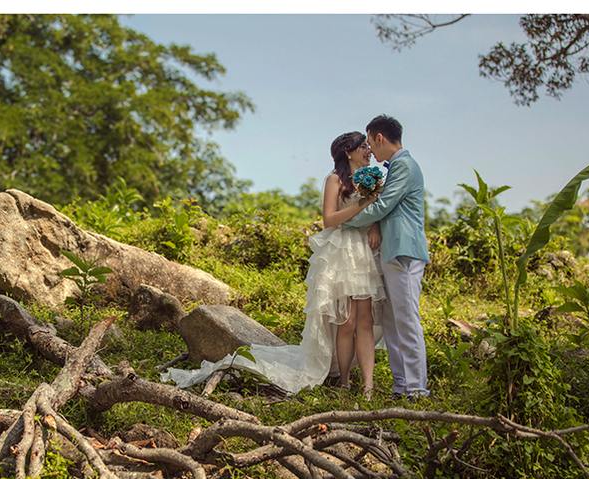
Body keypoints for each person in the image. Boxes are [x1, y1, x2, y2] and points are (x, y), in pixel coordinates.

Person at [161, 131, 386, 398]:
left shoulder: (372, 179)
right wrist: (362, 204)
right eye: (363, 146)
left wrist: (376, 226)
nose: (368, 150)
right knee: (346, 322)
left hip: (364, 251)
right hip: (342, 251)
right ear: (348, 151)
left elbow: (379, 210)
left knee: (366, 320)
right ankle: (345, 382)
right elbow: (329, 219)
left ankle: (368, 385)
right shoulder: (334, 179)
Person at [341, 115, 430, 399]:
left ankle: (416, 388)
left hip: (405, 251)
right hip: (392, 251)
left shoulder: (404, 165)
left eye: (371, 143)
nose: (371, 152)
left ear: (380, 138)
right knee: (392, 321)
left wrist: (345, 223)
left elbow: (385, 206)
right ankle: (400, 384)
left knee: (406, 320)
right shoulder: (398, 167)